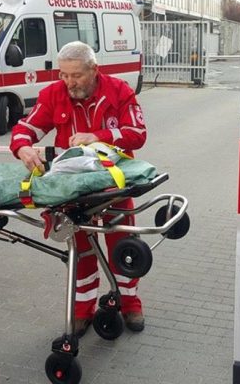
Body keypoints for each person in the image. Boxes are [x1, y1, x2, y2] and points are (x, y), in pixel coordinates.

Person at [10, 41, 148, 336]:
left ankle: (130, 304)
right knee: (81, 250)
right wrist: (22, 148)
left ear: (94, 70)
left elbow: (137, 134)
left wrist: (96, 136)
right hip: (72, 191)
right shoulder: (53, 95)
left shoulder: (119, 91)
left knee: (121, 245)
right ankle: (83, 310)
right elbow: (26, 128)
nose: (69, 83)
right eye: (64, 75)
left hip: (114, 187)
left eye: (76, 75)